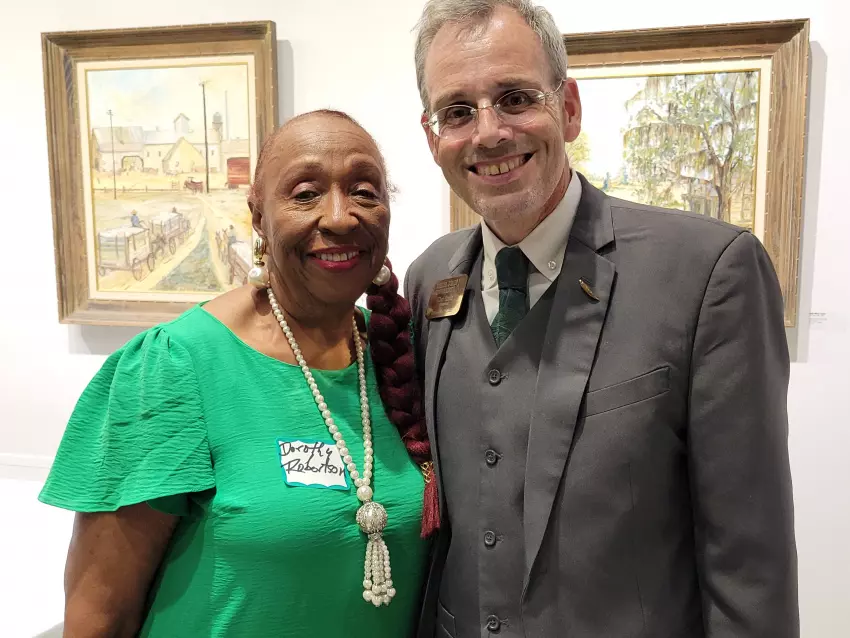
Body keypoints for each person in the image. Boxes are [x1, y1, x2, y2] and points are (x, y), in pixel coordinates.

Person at [405, 1, 798, 636]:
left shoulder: (708, 274)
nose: (488, 133)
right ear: (432, 138)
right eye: (457, 111)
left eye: (514, 98)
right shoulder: (430, 280)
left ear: (568, 108)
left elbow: (749, 566)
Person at [39, 109, 439, 637]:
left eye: (364, 191)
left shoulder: (401, 354)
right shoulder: (173, 367)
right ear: (258, 217)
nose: (340, 217)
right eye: (305, 194)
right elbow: (100, 618)